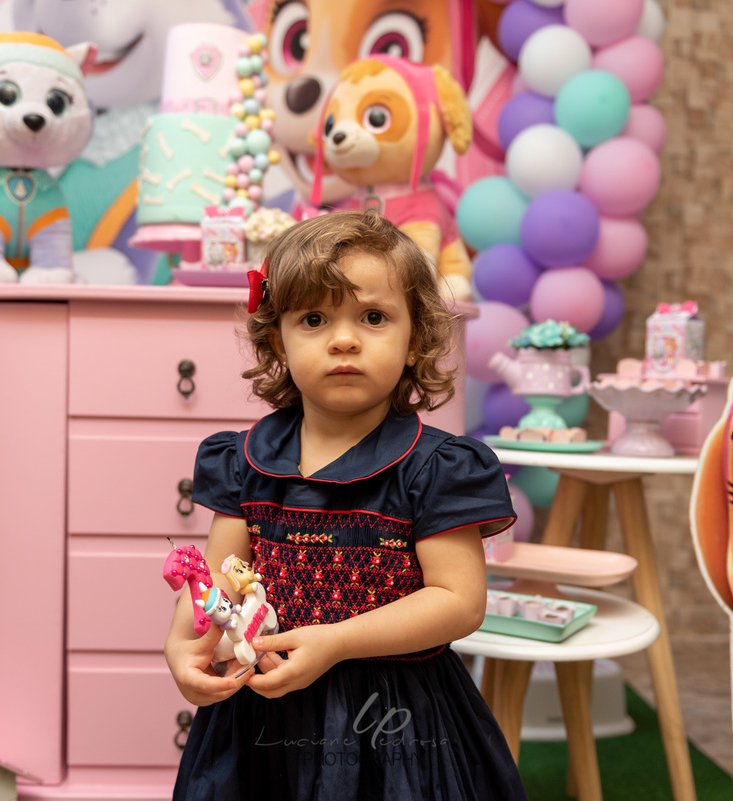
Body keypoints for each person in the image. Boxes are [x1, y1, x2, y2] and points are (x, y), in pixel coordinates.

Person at [165, 210, 527, 800]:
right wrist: (184, 645)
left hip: (397, 726)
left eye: (373, 317)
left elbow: (459, 602)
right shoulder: (243, 460)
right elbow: (219, 579)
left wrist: (336, 641)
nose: (343, 339)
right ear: (278, 340)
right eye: (313, 319)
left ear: (415, 339)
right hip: (261, 718)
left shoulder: (437, 467)